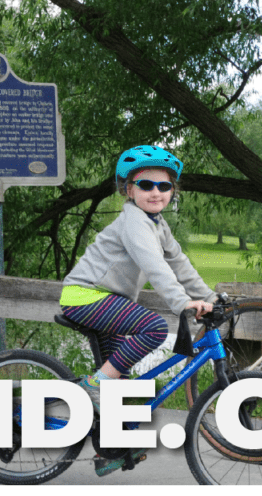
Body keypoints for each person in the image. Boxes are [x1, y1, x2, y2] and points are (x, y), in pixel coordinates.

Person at [60, 145, 214, 475]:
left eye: (164, 185)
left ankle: (110, 451)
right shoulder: (134, 221)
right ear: (129, 190)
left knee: (119, 382)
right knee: (154, 328)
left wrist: (211, 297)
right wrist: (182, 302)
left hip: (107, 301)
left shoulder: (157, 224)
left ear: (173, 191)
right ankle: (93, 385)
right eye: (146, 185)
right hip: (86, 296)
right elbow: (155, 265)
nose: (156, 192)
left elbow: (179, 264)